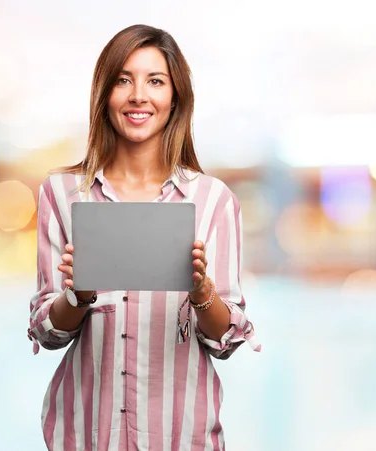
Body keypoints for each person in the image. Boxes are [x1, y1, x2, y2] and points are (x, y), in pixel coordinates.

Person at [28, 24, 261, 451]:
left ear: (176, 98)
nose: (139, 95)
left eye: (156, 81)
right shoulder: (61, 194)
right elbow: (47, 331)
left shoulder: (213, 201)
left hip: (182, 437)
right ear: (104, 95)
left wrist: (203, 293)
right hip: (83, 437)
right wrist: (78, 296)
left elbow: (227, 339)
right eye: (123, 80)